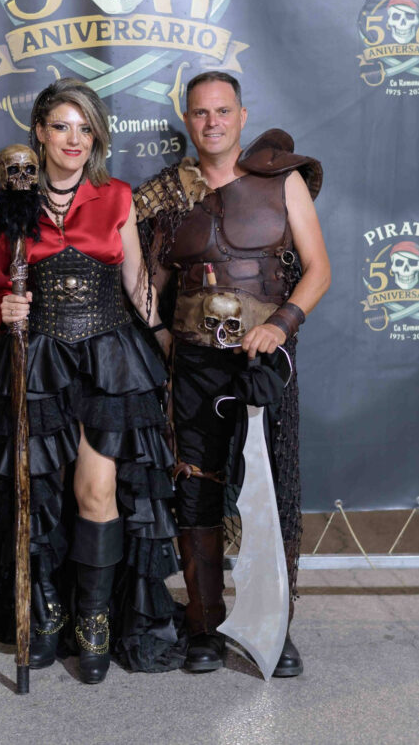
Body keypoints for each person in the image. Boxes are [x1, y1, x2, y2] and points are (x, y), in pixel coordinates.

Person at [0, 78, 182, 684]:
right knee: (37, 496)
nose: (74, 139)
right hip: (38, 361)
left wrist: (165, 339)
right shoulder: (12, 204)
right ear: (38, 131)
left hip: (109, 360)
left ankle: (94, 620)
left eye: (85, 128)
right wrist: (5, 306)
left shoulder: (116, 197)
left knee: (97, 491)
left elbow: (137, 284)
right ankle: (45, 615)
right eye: (61, 126)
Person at [134, 71, 330, 677]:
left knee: (270, 493)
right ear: (187, 120)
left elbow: (319, 269)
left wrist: (282, 324)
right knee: (196, 486)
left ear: (242, 117)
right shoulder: (167, 196)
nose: (212, 122)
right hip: (194, 364)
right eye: (200, 112)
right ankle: (204, 625)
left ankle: (274, 626)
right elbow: (148, 285)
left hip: (262, 362)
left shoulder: (282, 182)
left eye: (222, 111)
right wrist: (162, 336)